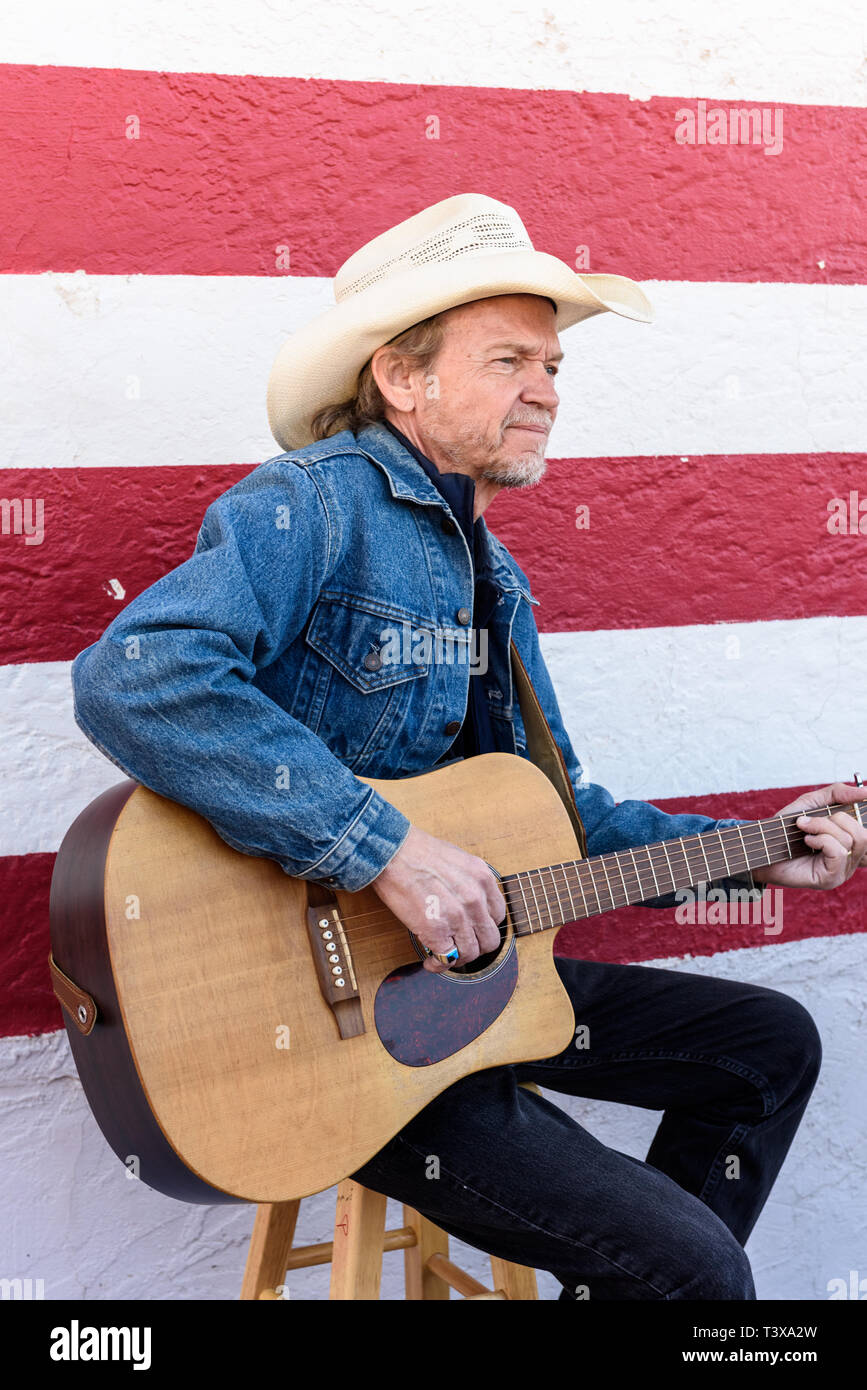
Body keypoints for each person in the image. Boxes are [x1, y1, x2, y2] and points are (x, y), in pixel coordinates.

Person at [71, 194, 867, 1299]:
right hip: (341, 1044)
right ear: (403, 377)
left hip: (463, 998)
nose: (545, 388)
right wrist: (382, 848)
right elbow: (135, 674)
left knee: (769, 1047)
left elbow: (561, 817)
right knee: (700, 1275)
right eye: (508, 360)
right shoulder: (317, 505)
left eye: (552, 365)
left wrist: (755, 848)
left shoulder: (498, 580)